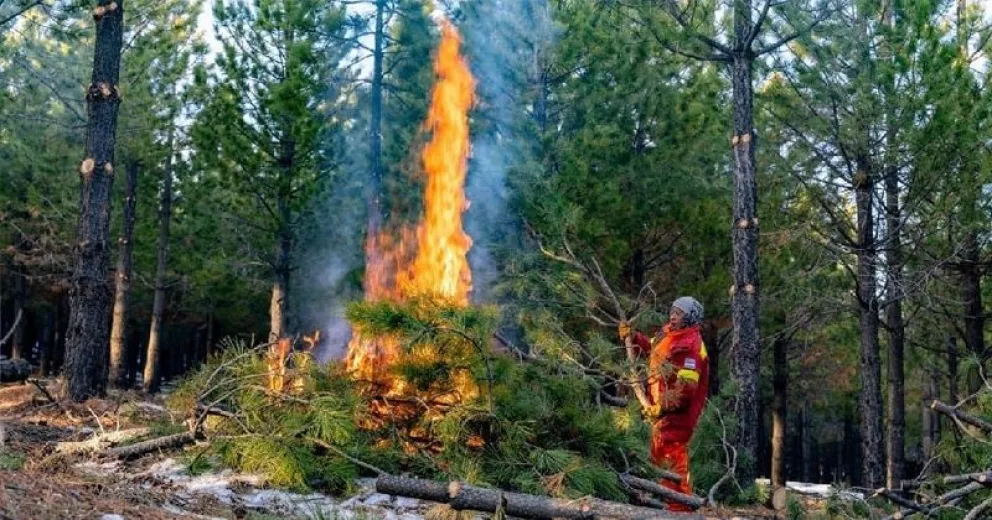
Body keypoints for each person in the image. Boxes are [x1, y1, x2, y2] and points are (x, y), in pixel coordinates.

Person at [618, 297, 709, 511]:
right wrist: (632, 337)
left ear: (690, 318)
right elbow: (652, 349)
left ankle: (679, 510)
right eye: (673, 311)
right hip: (661, 415)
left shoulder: (692, 346)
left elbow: (685, 392)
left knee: (673, 464)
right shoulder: (668, 334)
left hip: (678, 418)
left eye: (679, 313)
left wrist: (661, 408)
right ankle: (659, 508)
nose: (673, 316)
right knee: (657, 461)